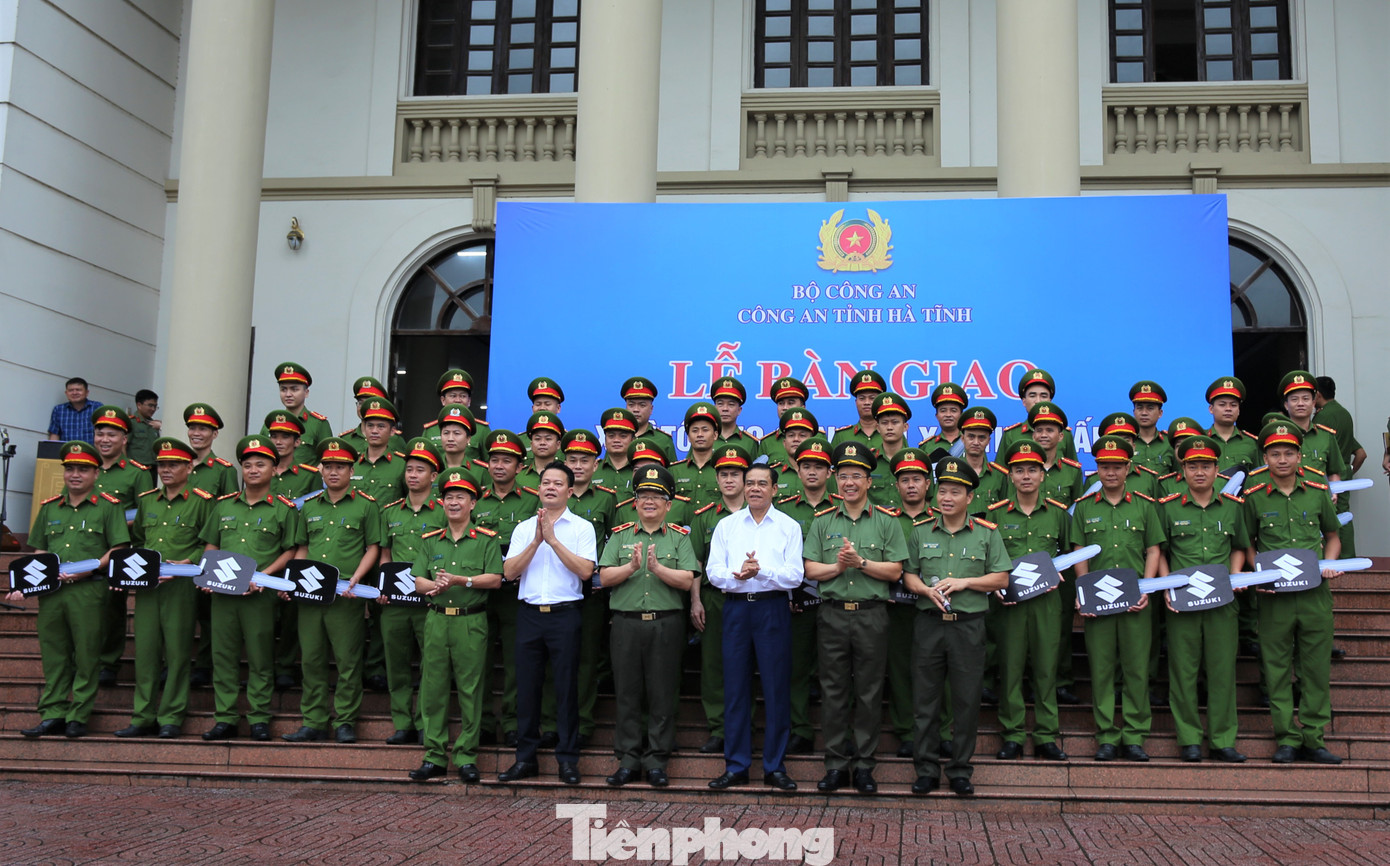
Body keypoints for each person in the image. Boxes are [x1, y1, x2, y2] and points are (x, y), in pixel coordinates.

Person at [803, 442, 908, 794]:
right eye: (844, 476)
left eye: (857, 476)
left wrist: (861, 563)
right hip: (832, 615)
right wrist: (838, 566)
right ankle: (835, 765)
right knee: (833, 692)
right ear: (836, 480)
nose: (849, 482)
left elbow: (895, 571)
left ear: (868, 481)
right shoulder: (823, 522)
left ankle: (864, 766)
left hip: (871, 615)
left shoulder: (886, 522)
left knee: (868, 692)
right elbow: (810, 569)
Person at [902, 457, 1010, 796]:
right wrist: (924, 590)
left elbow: (1001, 577)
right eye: (943, 491)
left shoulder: (986, 533)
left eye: (955, 492)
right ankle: (926, 770)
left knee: (966, 701)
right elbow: (908, 575)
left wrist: (965, 583)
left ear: (970, 497)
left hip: (968, 626)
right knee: (925, 701)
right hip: (929, 624)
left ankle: (960, 770)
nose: (947, 498)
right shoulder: (921, 531)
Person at [10, 442, 128, 738]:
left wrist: (91, 568)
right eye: (70, 469)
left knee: (87, 655)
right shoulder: (50, 507)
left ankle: (78, 715)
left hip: (89, 590)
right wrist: (27, 584)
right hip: (52, 593)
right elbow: (40, 550)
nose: (75, 475)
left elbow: (118, 548)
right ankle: (53, 713)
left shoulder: (108, 506)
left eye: (83, 469)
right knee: (54, 654)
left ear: (96, 473)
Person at [1243, 420, 1344, 764]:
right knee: (1276, 669)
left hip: (1315, 593)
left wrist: (1330, 563)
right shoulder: (1254, 497)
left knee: (1315, 668)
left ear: (1300, 456)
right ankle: (1286, 736)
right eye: (1275, 454)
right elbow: (1248, 542)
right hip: (1275, 598)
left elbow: (1333, 535)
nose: (1282, 459)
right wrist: (1259, 572)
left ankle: (1314, 737)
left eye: (1289, 453)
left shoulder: (1316, 491)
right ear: (1265, 458)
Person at [706, 462, 803, 792]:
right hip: (736, 609)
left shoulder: (789, 527)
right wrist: (739, 574)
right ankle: (736, 766)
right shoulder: (727, 526)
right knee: (735, 688)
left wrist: (761, 573)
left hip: (772, 609)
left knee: (776, 688)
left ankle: (775, 767)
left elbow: (795, 576)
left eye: (762, 483)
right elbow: (713, 572)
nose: (755, 489)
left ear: (775, 489)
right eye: (750, 483)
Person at [597, 465, 697, 787]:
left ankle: (656, 761)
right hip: (626, 624)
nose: (649, 501)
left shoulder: (679, 537)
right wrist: (631, 567)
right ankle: (628, 760)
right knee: (627, 693)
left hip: (665, 624)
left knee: (662, 694)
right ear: (634, 502)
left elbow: (687, 580)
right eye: (643, 496)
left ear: (668, 505)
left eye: (657, 496)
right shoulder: (621, 535)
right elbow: (604, 577)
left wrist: (657, 568)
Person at [498, 462, 597, 785]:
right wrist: (537, 541)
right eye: (546, 483)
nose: (550, 488)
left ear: (570, 491)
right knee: (527, 688)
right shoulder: (524, 528)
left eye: (557, 483)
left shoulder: (582, 528)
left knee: (566, 688)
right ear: (538, 489)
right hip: (529, 615)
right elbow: (509, 572)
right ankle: (525, 758)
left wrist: (553, 540)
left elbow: (585, 572)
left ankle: (567, 760)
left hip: (565, 615)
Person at [200, 435, 304, 741]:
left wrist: (263, 576)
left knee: (260, 657)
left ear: (273, 469)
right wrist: (208, 574)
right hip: (223, 594)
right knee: (223, 656)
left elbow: (290, 549)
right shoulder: (223, 506)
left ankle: (259, 717)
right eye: (247, 465)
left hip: (260, 594)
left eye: (261, 464)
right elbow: (211, 544)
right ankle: (225, 717)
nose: (254, 470)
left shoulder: (283, 509)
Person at [283, 438, 383, 744]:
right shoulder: (310, 506)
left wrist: (358, 578)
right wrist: (293, 580)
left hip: (346, 596)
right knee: (311, 659)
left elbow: (373, 547)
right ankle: (313, 721)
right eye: (328, 467)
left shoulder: (366, 505)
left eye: (340, 467)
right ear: (321, 470)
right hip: (311, 595)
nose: (334, 472)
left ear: (352, 471)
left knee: (347, 661)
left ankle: (345, 721)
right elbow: (302, 547)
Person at [1070, 436, 1164, 762]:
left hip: (1135, 601)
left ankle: (1135, 735)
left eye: (1116, 467)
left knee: (1136, 669)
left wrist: (1147, 588)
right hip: (1098, 602)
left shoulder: (1144, 505)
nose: (1110, 473)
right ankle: (1107, 736)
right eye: (1104, 466)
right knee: (1102, 670)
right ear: (1096, 469)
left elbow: (1153, 550)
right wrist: (1082, 592)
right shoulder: (1084, 507)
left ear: (1128, 468)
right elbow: (1079, 552)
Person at [407, 467, 503, 783]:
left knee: (470, 691)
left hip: (470, 621)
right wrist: (432, 586)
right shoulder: (430, 540)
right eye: (449, 497)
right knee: (432, 689)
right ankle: (434, 755)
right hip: (436, 619)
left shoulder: (486, 540)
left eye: (461, 497)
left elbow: (495, 579)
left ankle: (466, 756)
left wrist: (462, 580)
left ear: (473, 503)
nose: (454, 503)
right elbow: (418, 580)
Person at [1158, 435, 1250, 763]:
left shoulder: (1233, 507)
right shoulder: (1167, 507)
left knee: (1222, 671)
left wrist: (1236, 574)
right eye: (1193, 466)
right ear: (1182, 470)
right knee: (1183, 671)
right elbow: (1160, 550)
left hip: (1222, 601)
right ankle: (1189, 739)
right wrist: (1167, 585)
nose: (1200, 472)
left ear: (1216, 470)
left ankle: (1223, 740)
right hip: (1182, 602)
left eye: (1206, 466)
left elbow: (1239, 547)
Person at [114, 437, 214, 740]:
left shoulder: (202, 502)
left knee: (178, 652)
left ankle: (171, 716)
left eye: (173, 464)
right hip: (148, 586)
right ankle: (142, 716)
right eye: (162, 465)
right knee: (145, 653)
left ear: (189, 467)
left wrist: (188, 561)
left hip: (181, 586)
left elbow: (209, 543)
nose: (166, 470)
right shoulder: (147, 501)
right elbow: (139, 540)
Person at [989, 440, 1072, 761]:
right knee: (1010, 668)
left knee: (1046, 668)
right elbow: (987, 558)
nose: (1026, 476)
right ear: (1010, 476)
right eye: (1019, 470)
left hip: (1046, 602)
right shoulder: (995, 515)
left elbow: (1069, 554)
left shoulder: (1058, 515)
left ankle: (1046, 735)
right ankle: (1012, 734)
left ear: (1042, 475)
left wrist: (1061, 571)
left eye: (1032, 470)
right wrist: (994, 585)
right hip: (1009, 603)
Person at [377, 438, 447, 745]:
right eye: (409, 470)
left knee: (431, 666)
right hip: (395, 602)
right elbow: (385, 554)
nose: (413, 475)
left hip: (430, 601)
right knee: (397, 665)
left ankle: (424, 724)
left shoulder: (443, 511)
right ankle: (402, 723)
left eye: (420, 470)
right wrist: (383, 586)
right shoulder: (390, 512)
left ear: (434, 476)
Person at [472, 429, 540, 746]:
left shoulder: (532, 500)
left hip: (517, 592)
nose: (499, 466)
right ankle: (483, 722)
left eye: (507, 461)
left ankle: (513, 722)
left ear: (519, 466)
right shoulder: (475, 500)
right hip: (480, 591)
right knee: (480, 660)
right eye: (495, 460)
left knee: (516, 662)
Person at [688, 442, 751, 755]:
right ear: (716, 478)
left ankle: (744, 726)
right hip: (714, 599)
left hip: (751, 599)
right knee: (713, 665)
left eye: (735, 474)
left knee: (748, 664)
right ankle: (718, 728)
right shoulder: (705, 517)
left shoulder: (759, 513)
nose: (729, 480)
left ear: (745, 479)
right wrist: (695, 601)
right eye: (724, 474)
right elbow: (696, 562)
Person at [776, 436, 838, 754]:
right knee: (796, 669)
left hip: (835, 601)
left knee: (835, 672)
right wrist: (786, 597)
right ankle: (799, 729)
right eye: (806, 466)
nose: (812, 472)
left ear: (829, 472)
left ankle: (836, 733)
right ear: (797, 471)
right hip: (795, 604)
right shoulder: (782, 511)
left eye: (818, 466)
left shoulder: (842, 507)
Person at [90, 407, 154, 685]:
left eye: (112, 435)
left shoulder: (137, 473)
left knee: (111, 609)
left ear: (124, 439)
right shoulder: (85, 470)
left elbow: (146, 512)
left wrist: (112, 523)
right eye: (100, 433)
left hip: (119, 549)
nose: (105, 440)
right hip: (84, 548)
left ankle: (107, 663)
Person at [884, 447, 934, 757]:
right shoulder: (885, 520)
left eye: (917, 479)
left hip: (933, 608)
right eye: (905, 480)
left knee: (936, 671)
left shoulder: (942, 517)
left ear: (928, 483)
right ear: (897, 485)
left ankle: (940, 731)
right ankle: (905, 730)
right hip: (896, 609)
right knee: (900, 670)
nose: (911, 485)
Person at [1314, 375, 1365, 558]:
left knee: (1328, 517)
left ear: (1317, 395)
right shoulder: (1344, 414)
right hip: (1343, 472)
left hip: (1327, 473)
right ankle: (1348, 556)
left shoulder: (1323, 416)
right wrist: (1349, 471)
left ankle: (1332, 558)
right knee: (1344, 514)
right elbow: (1361, 453)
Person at [998, 369, 1079, 461]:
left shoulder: (1064, 434)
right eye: (1032, 396)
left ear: (1050, 401)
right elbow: (1002, 469)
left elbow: (1070, 468)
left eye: (1043, 396)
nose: (1038, 401)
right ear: (1024, 401)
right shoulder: (1011, 435)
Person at [422, 369, 492, 464]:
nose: (458, 400)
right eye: (453, 396)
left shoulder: (482, 429)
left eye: (463, 396)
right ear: (443, 400)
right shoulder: (430, 430)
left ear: (469, 401)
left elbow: (490, 463)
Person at [349, 398, 407, 505]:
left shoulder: (402, 465)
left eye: (381, 426)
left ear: (392, 431)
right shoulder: (352, 464)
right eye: (370, 426)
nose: (374, 431)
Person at [273, 362, 333, 463]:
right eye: (283, 389)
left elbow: (329, 459)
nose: (288, 394)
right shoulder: (272, 423)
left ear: (306, 393)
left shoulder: (318, 424)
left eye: (294, 389)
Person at [671, 402, 722, 509]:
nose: (700, 434)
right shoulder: (674, 471)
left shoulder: (723, 469)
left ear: (715, 435)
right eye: (695, 430)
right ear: (688, 437)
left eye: (705, 430)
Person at [263, 410, 322, 501]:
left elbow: (315, 508)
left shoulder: (310, 476)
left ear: (297, 442)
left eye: (285, 437)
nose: (278, 442)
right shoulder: (261, 472)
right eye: (274, 436)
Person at [340, 377, 408, 455]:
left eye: (370, 403)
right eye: (361, 403)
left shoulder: (395, 439)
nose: (364, 407)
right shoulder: (346, 439)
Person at [622, 376, 678, 465]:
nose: (636, 410)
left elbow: (672, 471)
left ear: (651, 409)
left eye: (642, 405)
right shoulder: (618, 438)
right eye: (631, 405)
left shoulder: (664, 440)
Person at [758, 376, 811, 466]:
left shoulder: (817, 437)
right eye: (781, 403)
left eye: (791, 403)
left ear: (803, 408)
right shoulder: (767, 442)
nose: (785, 408)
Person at [832, 369, 886, 452]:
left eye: (872, 398)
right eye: (862, 398)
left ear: (879, 402)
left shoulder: (890, 434)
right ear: (856, 402)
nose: (867, 402)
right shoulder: (842, 435)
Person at [1129, 381, 1176, 476]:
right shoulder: (1126, 442)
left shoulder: (1170, 443)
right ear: (1134, 412)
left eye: (1150, 408)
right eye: (1140, 408)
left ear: (1160, 413)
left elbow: (1178, 478)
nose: (1144, 413)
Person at [590, 408, 638, 495]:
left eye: (623, 436)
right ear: (605, 440)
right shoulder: (592, 469)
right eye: (611, 436)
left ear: (633, 440)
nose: (616, 440)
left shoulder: (639, 470)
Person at [918, 382, 967, 460]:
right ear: (937, 416)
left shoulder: (971, 442)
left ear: (961, 415)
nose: (948, 415)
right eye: (943, 411)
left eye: (953, 410)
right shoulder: (927, 446)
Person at [47, 377, 101, 443]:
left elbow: (104, 432)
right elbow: (54, 435)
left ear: (87, 392)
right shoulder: (59, 410)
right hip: (67, 449)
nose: (74, 393)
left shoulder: (97, 407)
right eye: (71, 390)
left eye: (78, 390)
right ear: (66, 393)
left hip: (91, 449)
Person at [711, 376, 758, 452]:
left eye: (731, 404)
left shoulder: (750, 442)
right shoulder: (705, 439)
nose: (725, 409)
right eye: (720, 404)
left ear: (739, 410)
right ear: (714, 408)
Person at [127, 389, 161, 466]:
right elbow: (123, 446)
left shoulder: (154, 424)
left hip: (153, 467)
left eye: (155, 406)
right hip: (137, 468)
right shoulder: (131, 422)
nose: (153, 409)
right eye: (150, 405)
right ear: (139, 405)